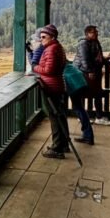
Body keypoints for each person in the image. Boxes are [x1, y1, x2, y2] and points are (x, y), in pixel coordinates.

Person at [31, 24, 70, 158]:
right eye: (41, 37)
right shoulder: (57, 47)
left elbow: (49, 70)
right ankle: (64, 145)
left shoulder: (51, 49)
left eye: (44, 37)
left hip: (51, 87)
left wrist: (35, 67)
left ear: (52, 37)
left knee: (55, 118)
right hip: (57, 85)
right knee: (60, 116)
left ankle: (57, 148)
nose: (41, 39)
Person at [76, 25, 110, 125]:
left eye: (96, 32)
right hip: (85, 72)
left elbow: (96, 57)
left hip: (92, 71)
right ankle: (90, 117)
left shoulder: (94, 42)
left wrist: (104, 59)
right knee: (89, 94)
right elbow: (85, 60)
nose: (97, 33)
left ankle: (93, 116)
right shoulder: (83, 43)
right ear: (87, 33)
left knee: (94, 93)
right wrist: (90, 72)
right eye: (94, 32)